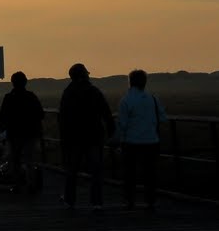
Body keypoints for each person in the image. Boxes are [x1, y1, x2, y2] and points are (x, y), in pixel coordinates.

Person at [58, 63, 114, 210]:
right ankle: (96, 202)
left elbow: (62, 118)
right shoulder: (93, 91)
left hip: (73, 138)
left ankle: (70, 200)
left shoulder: (68, 93)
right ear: (84, 75)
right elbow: (106, 112)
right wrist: (111, 130)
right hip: (93, 136)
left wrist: (63, 139)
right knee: (96, 170)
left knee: (72, 170)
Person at [118, 69, 167, 210]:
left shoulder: (126, 100)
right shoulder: (153, 99)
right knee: (150, 173)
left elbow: (123, 123)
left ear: (130, 82)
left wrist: (118, 138)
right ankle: (150, 199)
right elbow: (162, 118)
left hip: (131, 142)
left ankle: (129, 199)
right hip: (151, 141)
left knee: (130, 173)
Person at [0, 71, 44, 186]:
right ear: (25, 82)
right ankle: (30, 183)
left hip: (14, 134)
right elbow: (40, 114)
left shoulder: (9, 98)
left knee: (14, 159)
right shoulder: (31, 97)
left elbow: (3, 116)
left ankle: (17, 183)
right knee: (29, 159)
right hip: (30, 133)